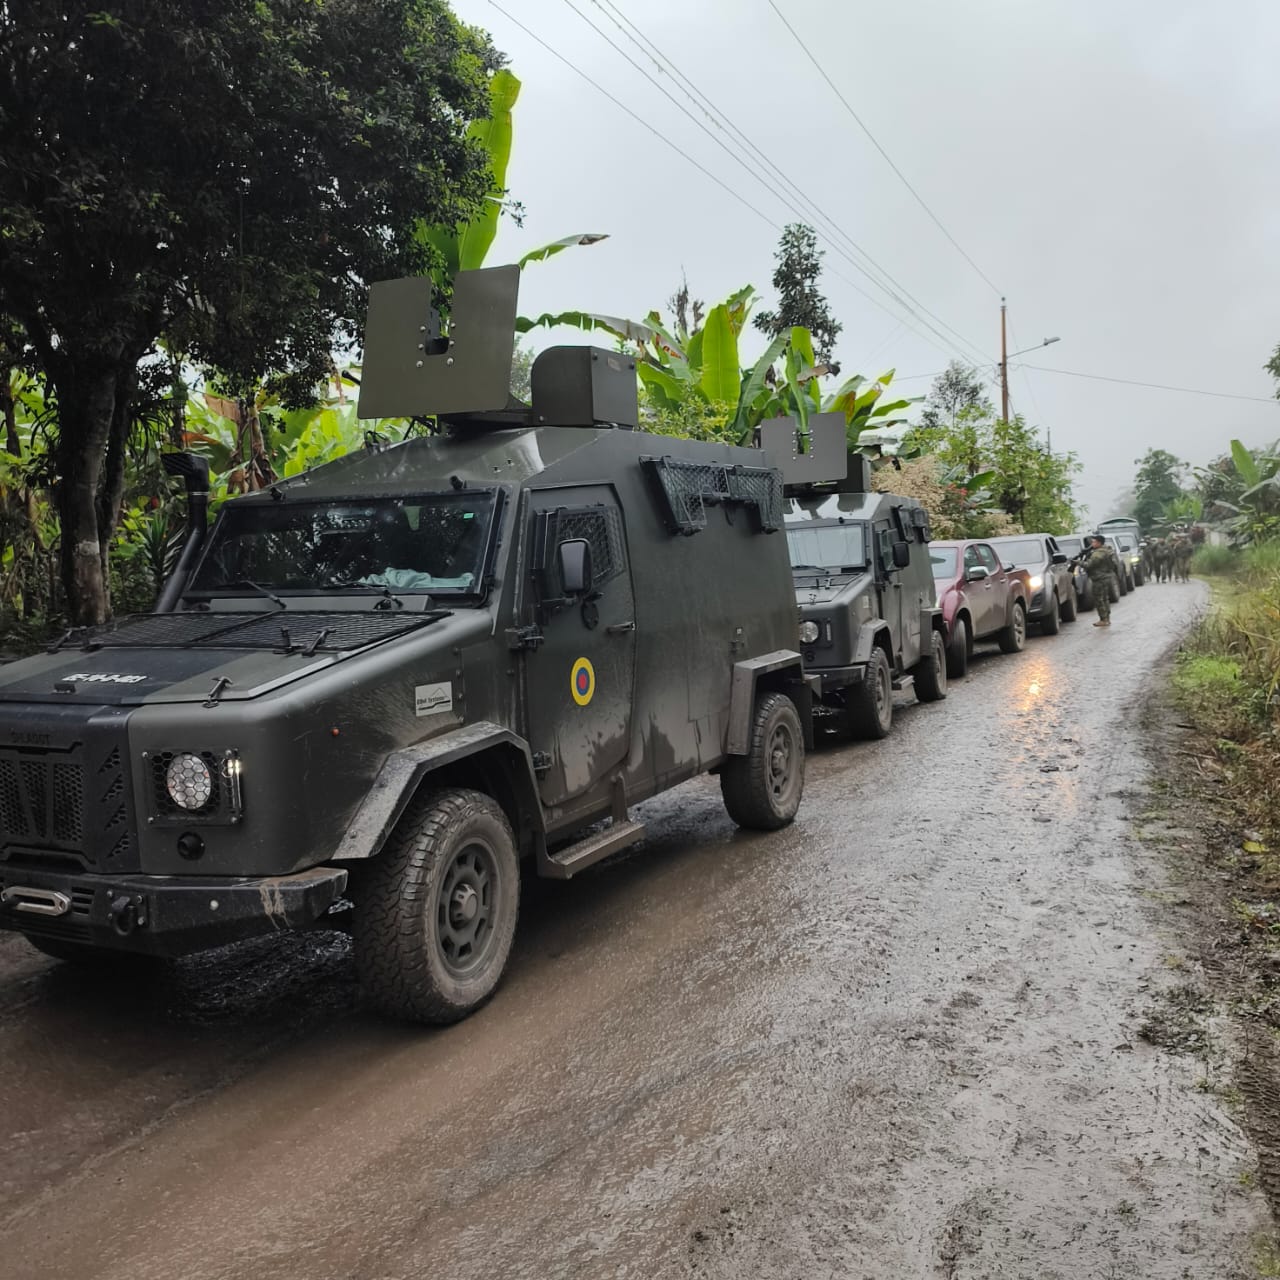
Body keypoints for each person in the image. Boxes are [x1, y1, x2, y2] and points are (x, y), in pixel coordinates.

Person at [1077, 532, 1120, 627]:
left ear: (1099, 543)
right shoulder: (1107, 550)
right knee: (1105, 598)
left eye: (1094, 542)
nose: (1092, 544)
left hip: (1099, 578)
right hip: (1106, 577)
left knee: (1099, 599)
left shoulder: (1098, 553)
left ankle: (1103, 619)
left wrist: (1078, 562)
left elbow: (1089, 565)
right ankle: (1106, 618)